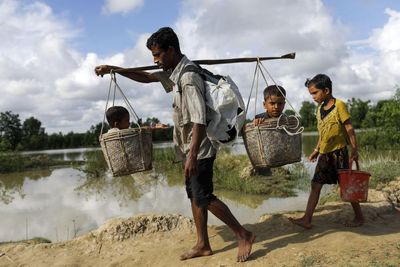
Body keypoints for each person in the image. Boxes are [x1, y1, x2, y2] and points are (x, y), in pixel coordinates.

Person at [95, 27, 255, 262]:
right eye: (153, 56)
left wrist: (191, 155)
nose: (155, 61)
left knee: (204, 196)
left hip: (199, 148)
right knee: (194, 194)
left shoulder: (188, 77)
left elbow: (199, 119)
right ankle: (202, 244)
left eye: (158, 55)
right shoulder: (175, 73)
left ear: (171, 50)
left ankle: (243, 234)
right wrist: (114, 70)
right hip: (189, 147)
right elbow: (147, 77)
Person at [289, 74, 364, 229]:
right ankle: (307, 219)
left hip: (339, 153)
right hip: (325, 154)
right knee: (316, 184)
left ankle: (359, 217)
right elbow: (324, 133)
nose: (313, 97)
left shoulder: (339, 106)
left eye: (315, 93)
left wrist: (354, 149)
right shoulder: (319, 109)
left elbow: (349, 128)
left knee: (346, 186)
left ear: (326, 90)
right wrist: (317, 149)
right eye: (311, 94)